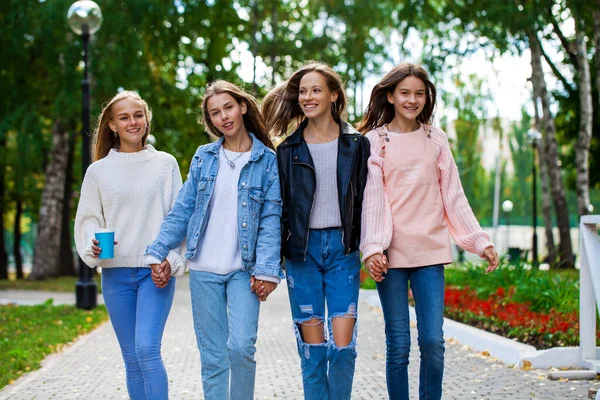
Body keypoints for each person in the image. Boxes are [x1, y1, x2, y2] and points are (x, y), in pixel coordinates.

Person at [357, 63, 500, 400]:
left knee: (433, 341)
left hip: (430, 253)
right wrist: (373, 247)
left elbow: (453, 195)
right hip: (390, 256)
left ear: (427, 98)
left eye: (419, 93)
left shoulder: (435, 138)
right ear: (390, 96)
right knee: (398, 343)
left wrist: (480, 242)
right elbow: (373, 199)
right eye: (404, 93)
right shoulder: (374, 141)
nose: (412, 100)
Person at [144, 80, 282, 400]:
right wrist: (158, 250)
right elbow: (183, 209)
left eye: (228, 108)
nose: (224, 117)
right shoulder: (204, 157)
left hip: (244, 269)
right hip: (204, 269)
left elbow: (271, 220)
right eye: (215, 113)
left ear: (243, 107)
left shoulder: (266, 161)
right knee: (213, 357)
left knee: (241, 348)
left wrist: (266, 270)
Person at [262, 62, 370, 400]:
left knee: (342, 348)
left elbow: (369, 199)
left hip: (343, 252)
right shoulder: (287, 150)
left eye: (316, 90)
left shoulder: (357, 144)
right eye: (303, 91)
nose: (308, 97)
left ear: (333, 95)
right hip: (302, 255)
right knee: (312, 352)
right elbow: (277, 211)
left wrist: (372, 246)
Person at [74, 90, 186, 400]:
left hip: (154, 271)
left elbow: (179, 218)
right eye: (124, 117)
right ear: (112, 125)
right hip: (115, 274)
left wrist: (171, 261)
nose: (132, 122)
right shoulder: (98, 171)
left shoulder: (165, 164)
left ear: (147, 119)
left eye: (138, 115)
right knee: (132, 360)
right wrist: (93, 245)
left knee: (147, 349)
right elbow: (88, 220)